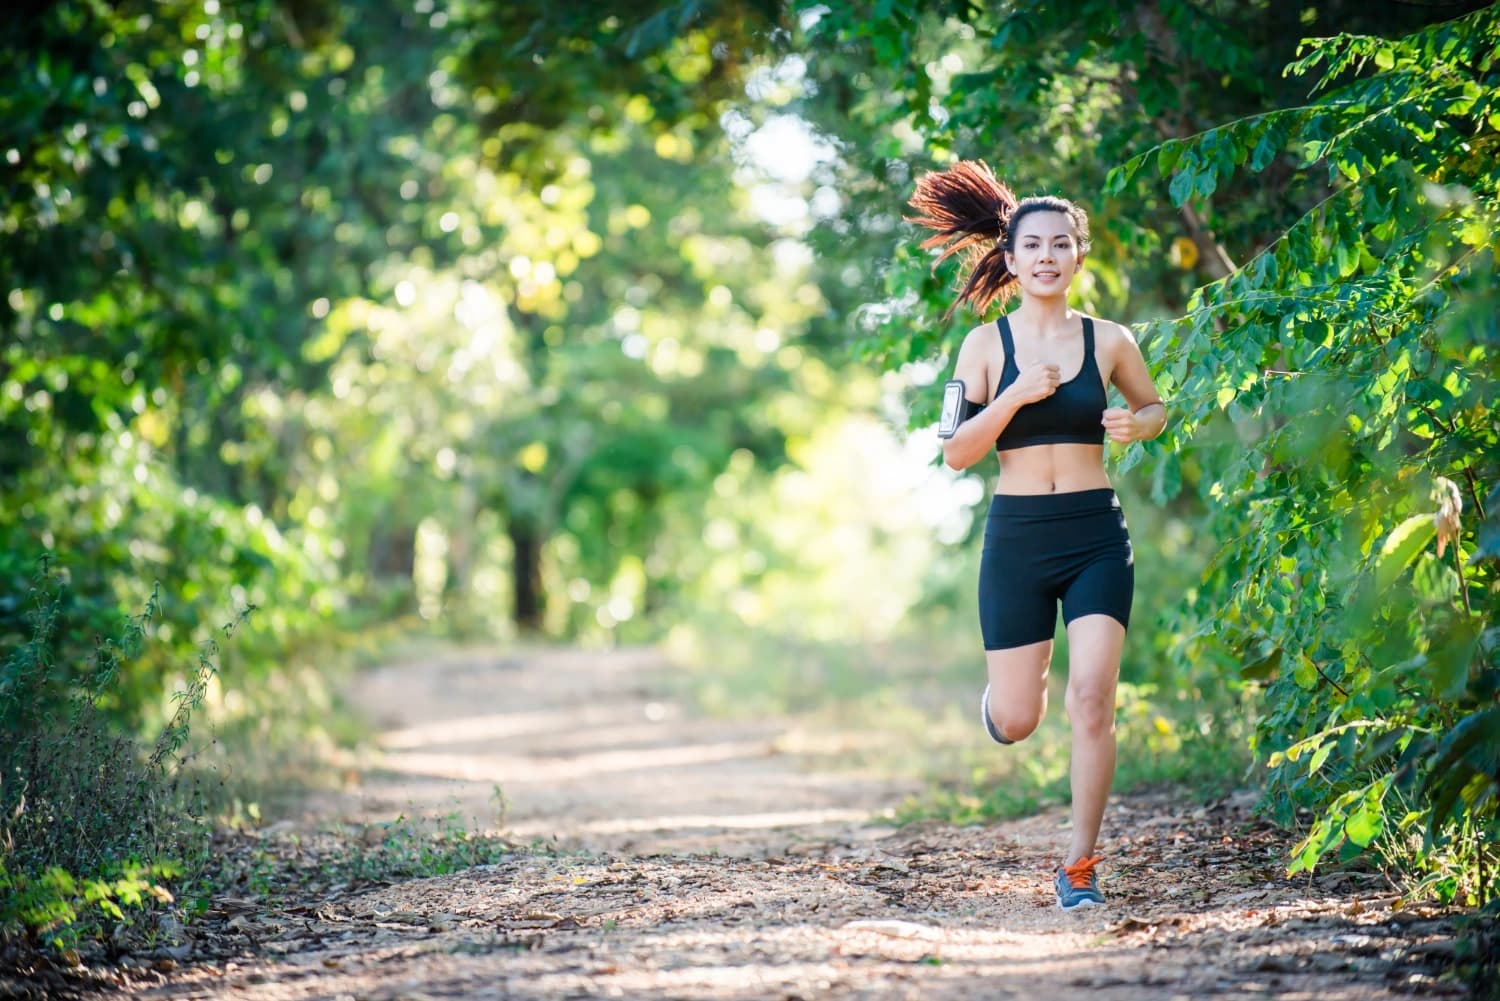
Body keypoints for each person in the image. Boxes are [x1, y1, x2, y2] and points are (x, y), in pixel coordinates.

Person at [908, 160, 1166, 910]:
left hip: (1094, 533)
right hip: (1018, 536)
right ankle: (1003, 702)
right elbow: (956, 451)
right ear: (1011, 258)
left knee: (1093, 696)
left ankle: (1079, 867)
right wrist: (1015, 395)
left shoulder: (1110, 340)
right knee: (1023, 719)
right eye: (1034, 246)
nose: (1047, 256)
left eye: (1061, 244)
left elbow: (1155, 409)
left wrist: (1136, 422)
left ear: (1078, 254)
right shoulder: (985, 348)